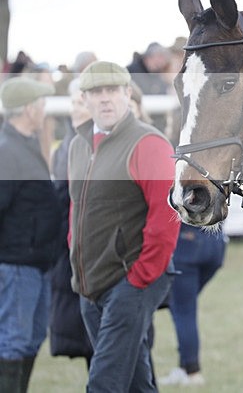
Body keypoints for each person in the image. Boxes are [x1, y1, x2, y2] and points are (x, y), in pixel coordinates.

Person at [68, 61, 180, 392]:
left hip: (132, 279)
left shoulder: (148, 143)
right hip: (90, 283)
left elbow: (166, 216)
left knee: (105, 381)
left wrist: (140, 277)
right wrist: (75, 254)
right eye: (96, 92)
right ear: (84, 99)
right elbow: (77, 207)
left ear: (127, 94)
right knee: (135, 381)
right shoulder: (78, 145)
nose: (105, 99)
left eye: (112, 91)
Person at [0, 76, 61, 392]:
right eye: (40, 104)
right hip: (16, 264)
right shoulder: (7, 151)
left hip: (36, 264)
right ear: (27, 109)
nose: (44, 109)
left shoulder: (25, 145)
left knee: (32, 337)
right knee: (13, 339)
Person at [49, 79, 94, 368]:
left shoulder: (92, 145)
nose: (75, 109)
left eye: (80, 102)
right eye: (73, 102)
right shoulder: (66, 145)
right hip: (69, 249)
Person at [158, 224, 226, 386]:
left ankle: (192, 371)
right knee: (185, 308)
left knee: (182, 310)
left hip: (186, 245)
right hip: (216, 244)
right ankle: (184, 367)